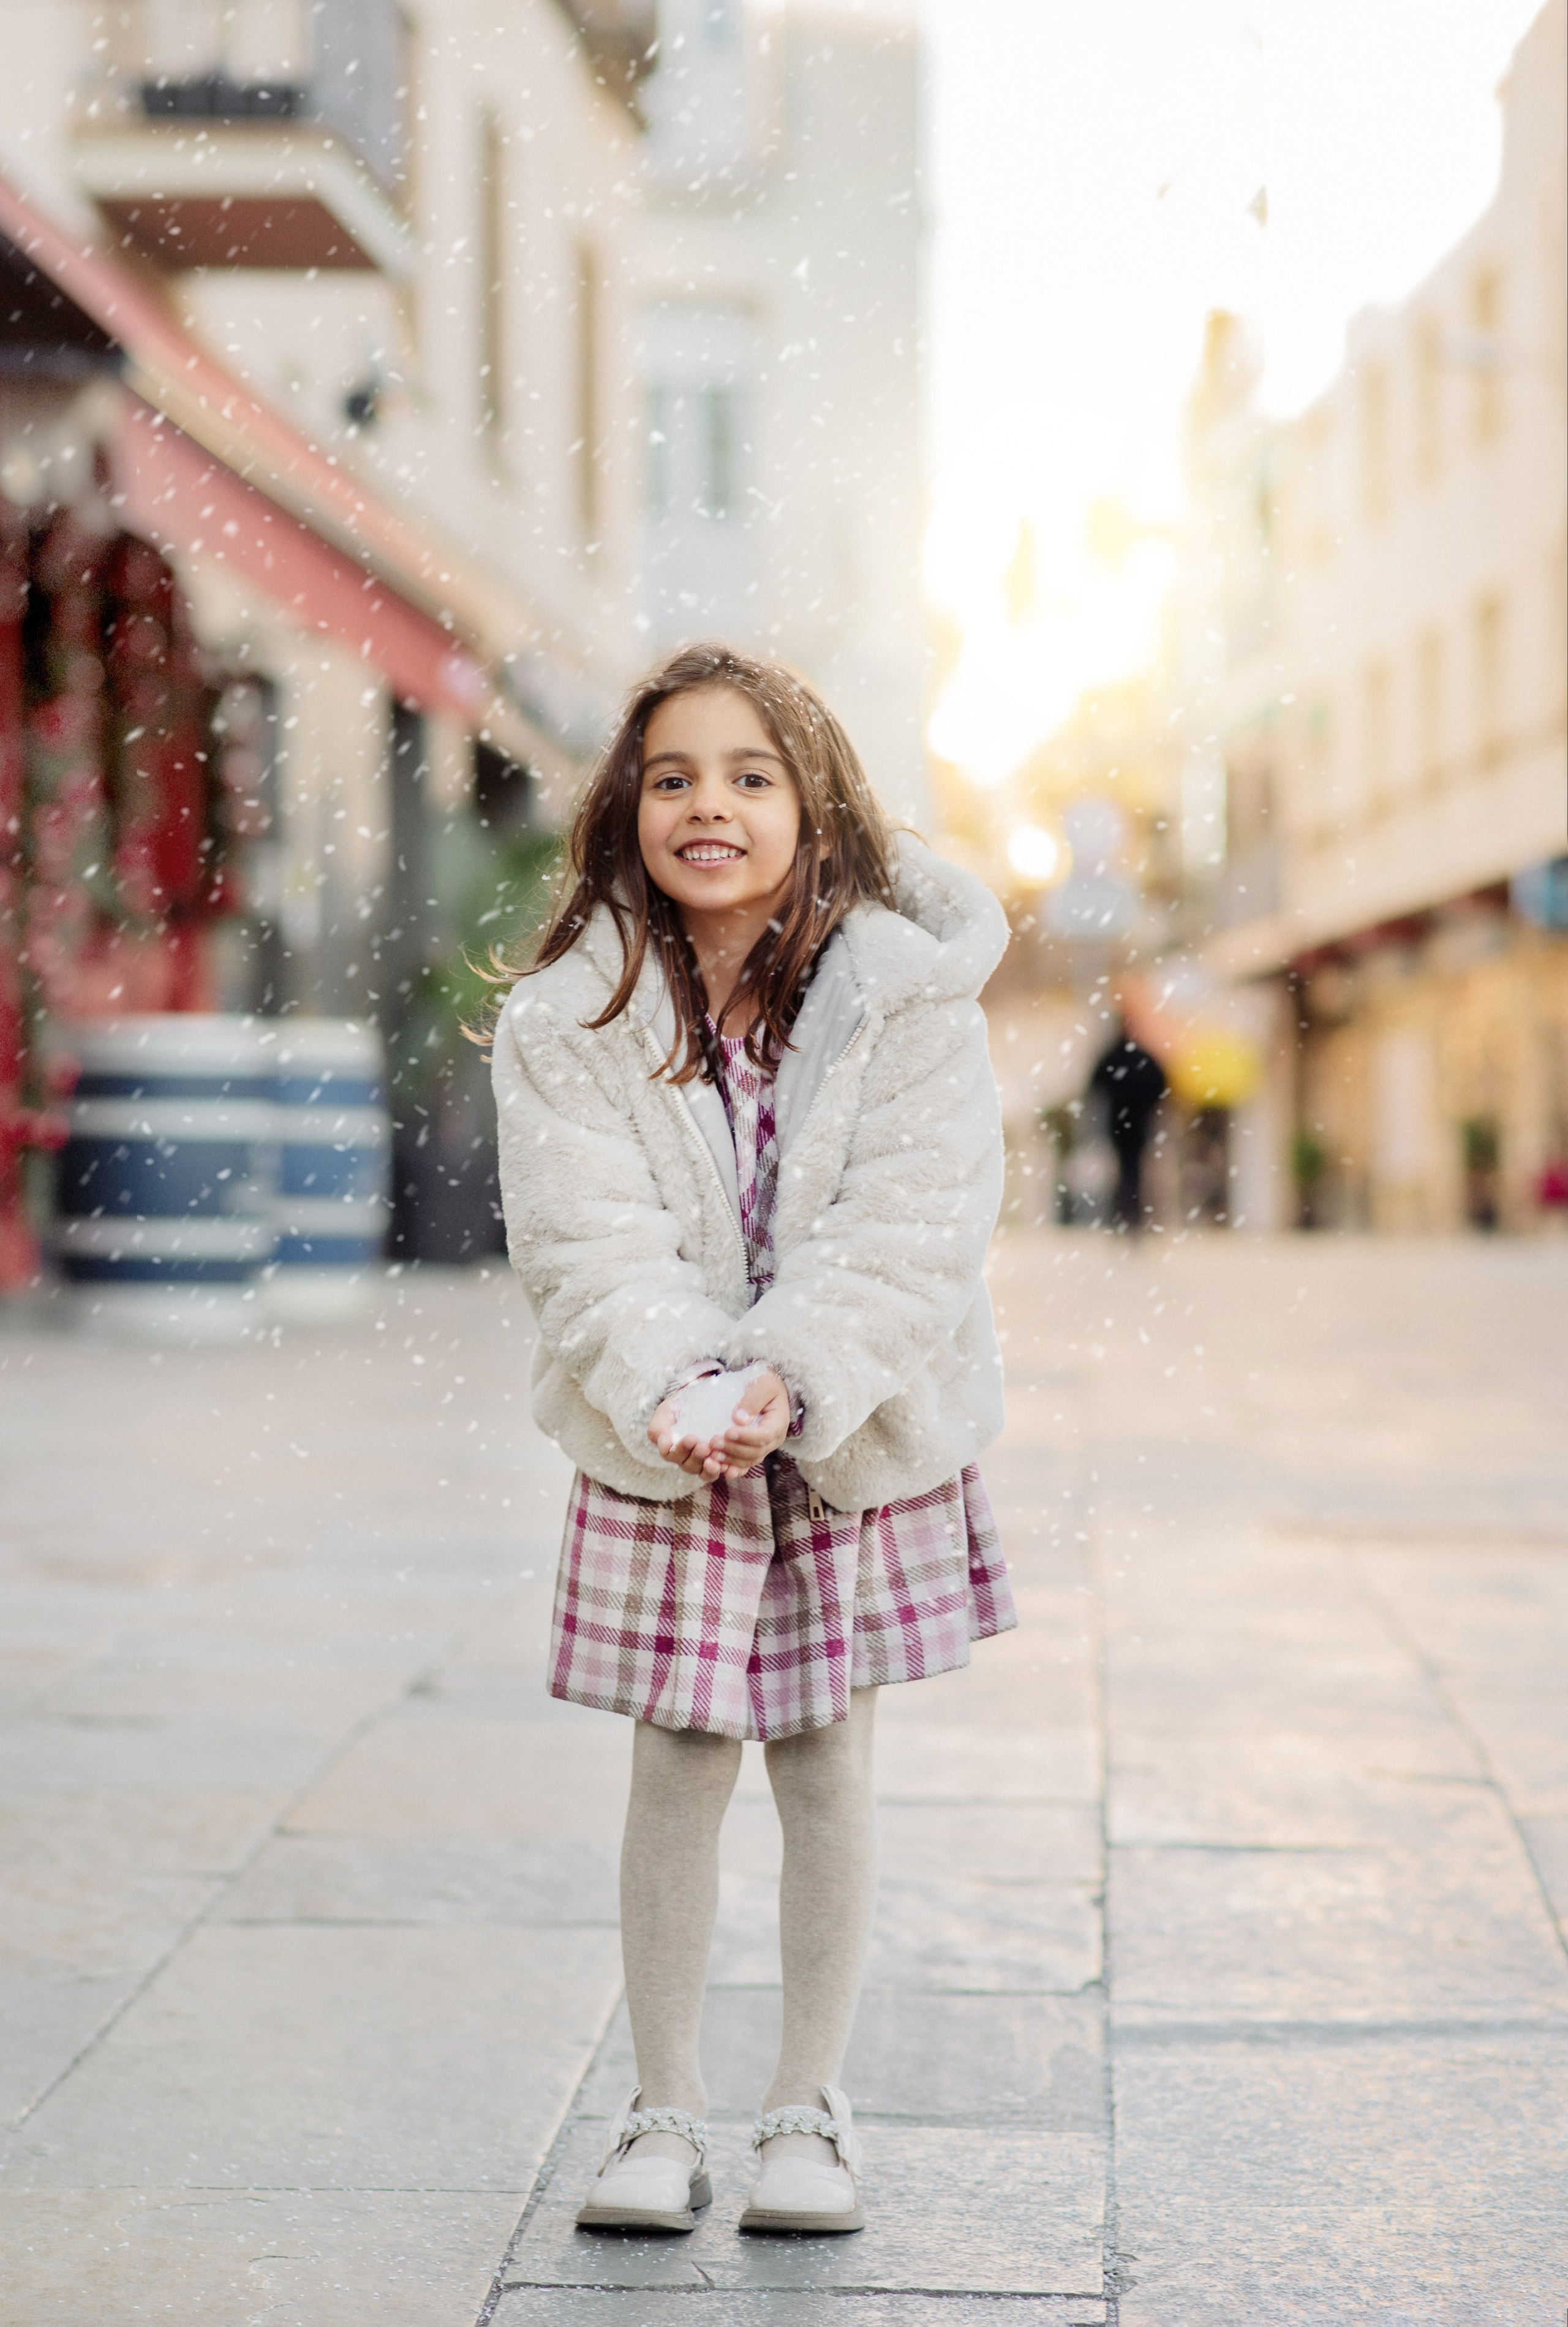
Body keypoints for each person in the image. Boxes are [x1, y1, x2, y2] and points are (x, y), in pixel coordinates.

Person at [489, 644, 1015, 2239]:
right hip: (667, 1432)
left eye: (749, 773)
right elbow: (586, 1236)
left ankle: (808, 2102)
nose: (708, 802)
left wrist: (794, 1370)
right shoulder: (573, 1014)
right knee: (680, 1746)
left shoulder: (904, 996)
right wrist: (678, 1381)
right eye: (671, 775)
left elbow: (918, 1220)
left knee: (826, 1749)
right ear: (625, 809)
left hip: (850, 1422)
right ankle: (660, 2106)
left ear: (816, 803)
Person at [1088, 1016, 1167, 1230]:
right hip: (1138, 1122)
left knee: (1125, 1170)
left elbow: (1095, 1086)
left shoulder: (1112, 1057)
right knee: (1135, 1171)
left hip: (1120, 1122)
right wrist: (1149, 1105)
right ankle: (1134, 1215)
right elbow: (1161, 1083)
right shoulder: (1142, 1058)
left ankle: (1124, 1214)